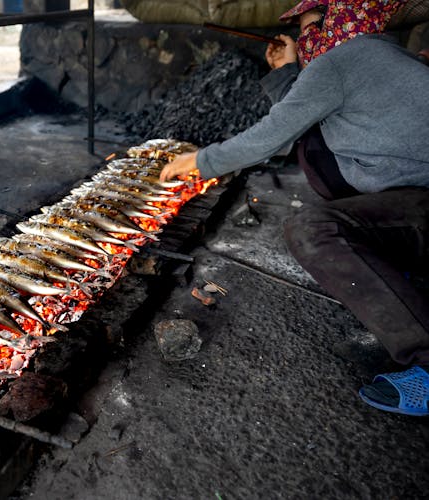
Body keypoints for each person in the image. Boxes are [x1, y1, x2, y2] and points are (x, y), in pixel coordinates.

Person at [160, 0, 429, 416]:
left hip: (419, 202)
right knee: (317, 151)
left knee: (313, 230)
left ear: (337, 24)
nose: (306, 40)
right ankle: (396, 266)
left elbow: (274, 134)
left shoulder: (343, 61)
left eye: (310, 29)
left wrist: (199, 162)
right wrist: (288, 73)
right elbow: (312, 121)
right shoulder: (380, 53)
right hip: (412, 193)